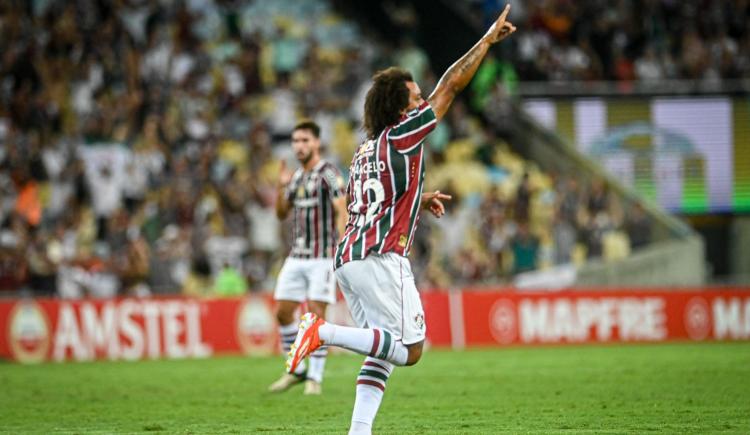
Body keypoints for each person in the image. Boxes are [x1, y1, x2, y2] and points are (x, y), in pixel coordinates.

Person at [285, 6, 516, 434]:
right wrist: (484, 42)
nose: (422, 101)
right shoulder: (403, 134)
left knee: (381, 352)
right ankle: (322, 332)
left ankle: (359, 431)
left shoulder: (365, 149)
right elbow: (451, 87)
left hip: (349, 259)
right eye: (413, 97)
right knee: (410, 350)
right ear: (399, 108)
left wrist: (417, 199)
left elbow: (369, 204)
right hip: (380, 256)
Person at [267, 121, 348, 396]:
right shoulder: (298, 178)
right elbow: (280, 213)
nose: (299, 146)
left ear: (316, 143)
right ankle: (297, 369)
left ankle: (315, 378)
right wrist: (280, 187)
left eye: (304, 140)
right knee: (282, 312)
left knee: (315, 317)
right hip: (296, 256)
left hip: (322, 257)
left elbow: (341, 208)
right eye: (295, 141)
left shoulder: (328, 173)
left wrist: (342, 245)